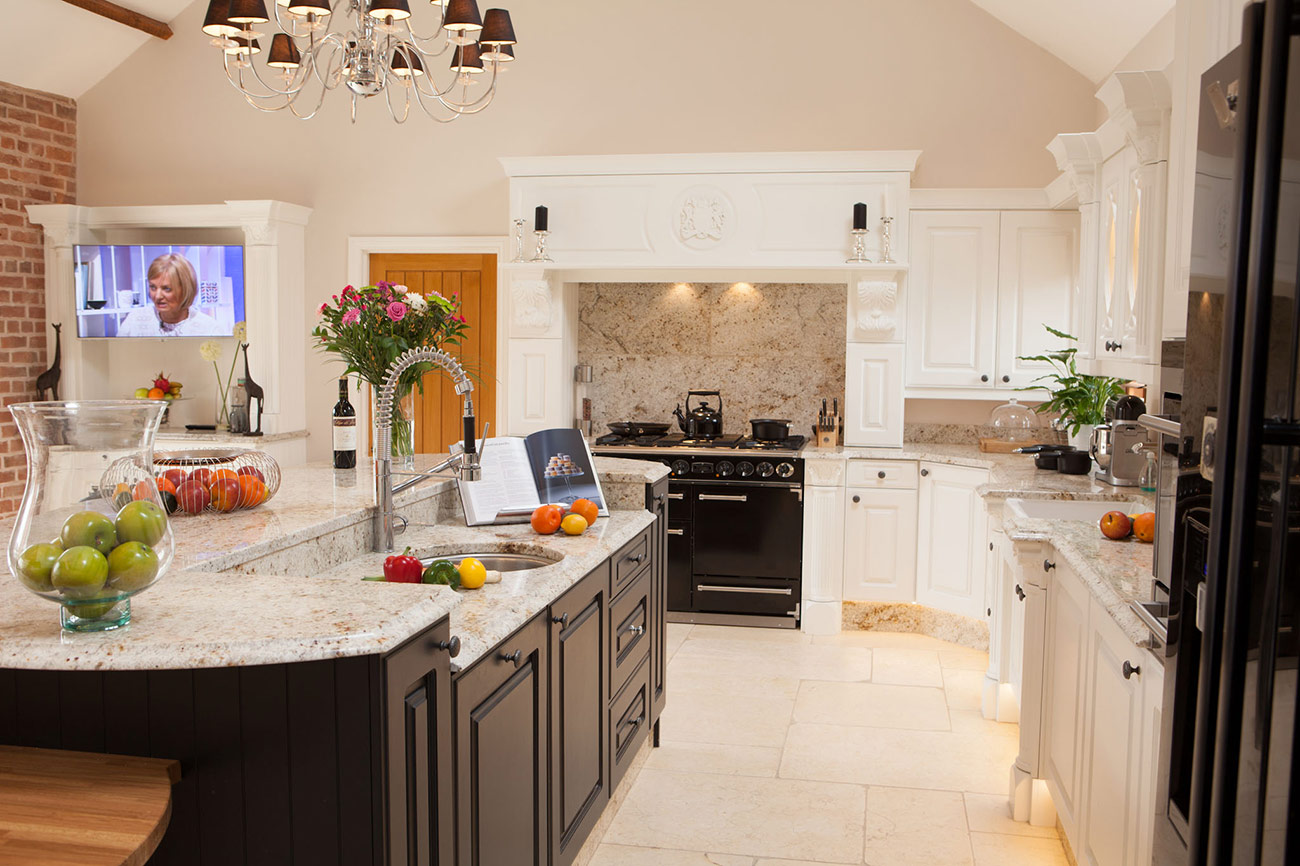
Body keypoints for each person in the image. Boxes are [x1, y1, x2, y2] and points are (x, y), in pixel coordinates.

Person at [117, 253, 224, 337]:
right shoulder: (135, 319)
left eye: (166, 289)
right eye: (153, 287)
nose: (157, 296)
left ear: (185, 289)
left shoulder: (209, 329)